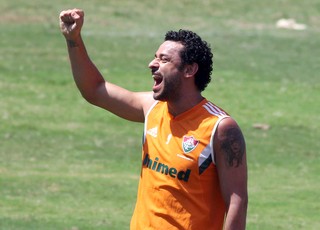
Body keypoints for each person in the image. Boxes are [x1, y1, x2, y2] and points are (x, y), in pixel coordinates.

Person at [59, 8, 248, 230]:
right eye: (155, 57)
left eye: (164, 59)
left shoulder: (219, 128)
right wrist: (73, 39)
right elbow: (95, 90)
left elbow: (237, 200)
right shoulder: (152, 107)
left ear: (189, 69)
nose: (152, 63)